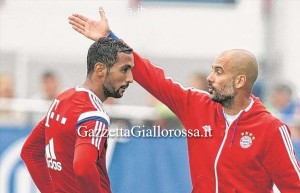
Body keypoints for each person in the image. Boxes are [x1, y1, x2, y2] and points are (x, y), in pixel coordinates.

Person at [68, 8, 300, 193]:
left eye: (219, 72)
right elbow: (152, 78)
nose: (210, 77)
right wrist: (110, 39)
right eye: (212, 70)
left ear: (240, 81)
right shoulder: (196, 106)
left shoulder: (271, 129)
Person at [20, 38, 134, 193]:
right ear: (100, 70)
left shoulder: (63, 99)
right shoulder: (94, 114)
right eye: (124, 69)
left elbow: (30, 151)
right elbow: (83, 167)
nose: (130, 78)